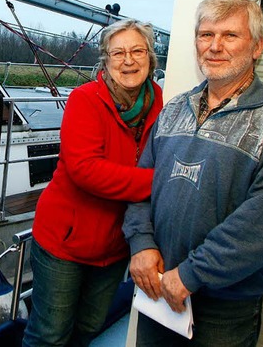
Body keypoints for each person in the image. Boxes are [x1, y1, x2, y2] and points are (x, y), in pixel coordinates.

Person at [123, 0, 263, 346]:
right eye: (205, 35)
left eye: (230, 35)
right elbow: (140, 186)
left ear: (257, 47)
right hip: (157, 288)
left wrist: (192, 274)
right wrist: (141, 244)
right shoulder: (175, 108)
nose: (215, 46)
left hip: (224, 308)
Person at [23, 19, 163, 347]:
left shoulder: (159, 101)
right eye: (118, 53)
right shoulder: (85, 100)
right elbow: (86, 170)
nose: (128, 60)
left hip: (114, 247)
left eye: (137, 51)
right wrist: (159, 183)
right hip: (65, 243)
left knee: (89, 328)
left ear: (151, 58)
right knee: (49, 335)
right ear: (106, 60)